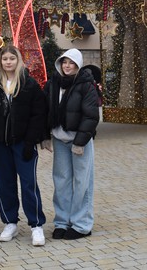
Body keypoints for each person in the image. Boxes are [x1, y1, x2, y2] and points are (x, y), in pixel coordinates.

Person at [0, 45, 48, 246]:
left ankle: (36, 224)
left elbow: (38, 115)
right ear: (0, 62)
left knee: (28, 184)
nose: (8, 62)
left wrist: (30, 141)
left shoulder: (29, 84)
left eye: (12, 58)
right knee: (4, 184)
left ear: (18, 61)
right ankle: (10, 222)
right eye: (5, 59)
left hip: (22, 143)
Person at [44, 49, 100, 240]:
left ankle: (82, 224)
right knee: (61, 181)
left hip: (79, 141)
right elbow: (45, 111)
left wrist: (80, 142)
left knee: (82, 182)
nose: (67, 66)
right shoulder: (53, 84)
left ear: (78, 65)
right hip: (60, 140)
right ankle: (62, 221)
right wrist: (45, 136)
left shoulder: (86, 85)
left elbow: (91, 116)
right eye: (64, 62)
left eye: (72, 63)